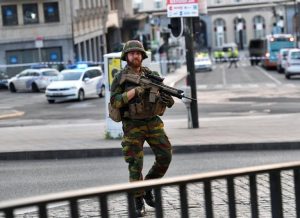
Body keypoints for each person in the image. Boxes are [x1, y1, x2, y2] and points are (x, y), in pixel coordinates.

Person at [110, 40, 174, 217]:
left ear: (142, 56)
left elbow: (162, 97)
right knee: (135, 164)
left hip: (152, 122)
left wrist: (168, 100)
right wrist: (136, 91)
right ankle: (138, 200)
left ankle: (147, 188)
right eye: (132, 53)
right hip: (132, 125)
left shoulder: (152, 75)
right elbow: (115, 102)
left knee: (165, 156)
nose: (135, 56)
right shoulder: (120, 78)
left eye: (138, 53)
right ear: (126, 56)